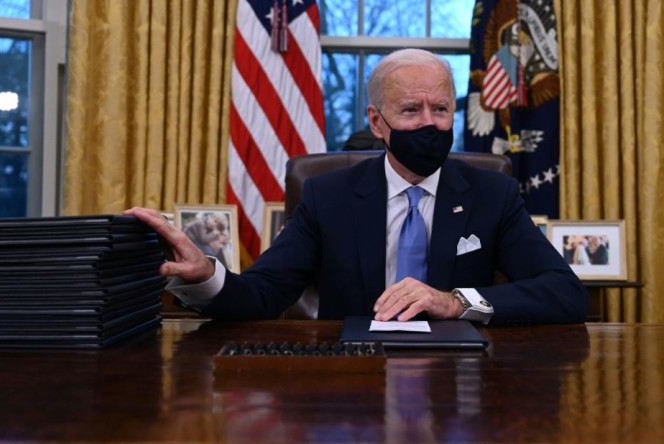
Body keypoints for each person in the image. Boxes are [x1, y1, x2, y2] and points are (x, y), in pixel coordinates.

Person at [126, 48, 588, 326]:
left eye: (441, 109)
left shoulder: (493, 194)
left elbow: (565, 293)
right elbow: (262, 295)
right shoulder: (328, 197)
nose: (429, 123)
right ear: (377, 122)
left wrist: (455, 302)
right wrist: (206, 276)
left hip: (462, 378)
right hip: (352, 378)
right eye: (411, 110)